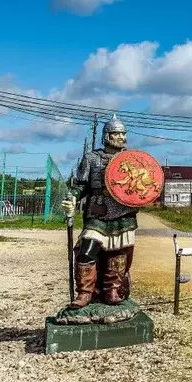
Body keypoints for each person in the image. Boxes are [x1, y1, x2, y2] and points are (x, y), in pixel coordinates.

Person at [61, 115, 139, 307]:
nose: (121, 137)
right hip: (98, 211)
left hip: (123, 213)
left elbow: (140, 188)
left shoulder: (131, 160)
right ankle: (85, 293)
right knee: (87, 251)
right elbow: (80, 185)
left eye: (123, 133)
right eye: (117, 133)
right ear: (107, 136)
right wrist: (72, 198)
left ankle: (111, 291)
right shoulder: (92, 158)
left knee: (118, 254)